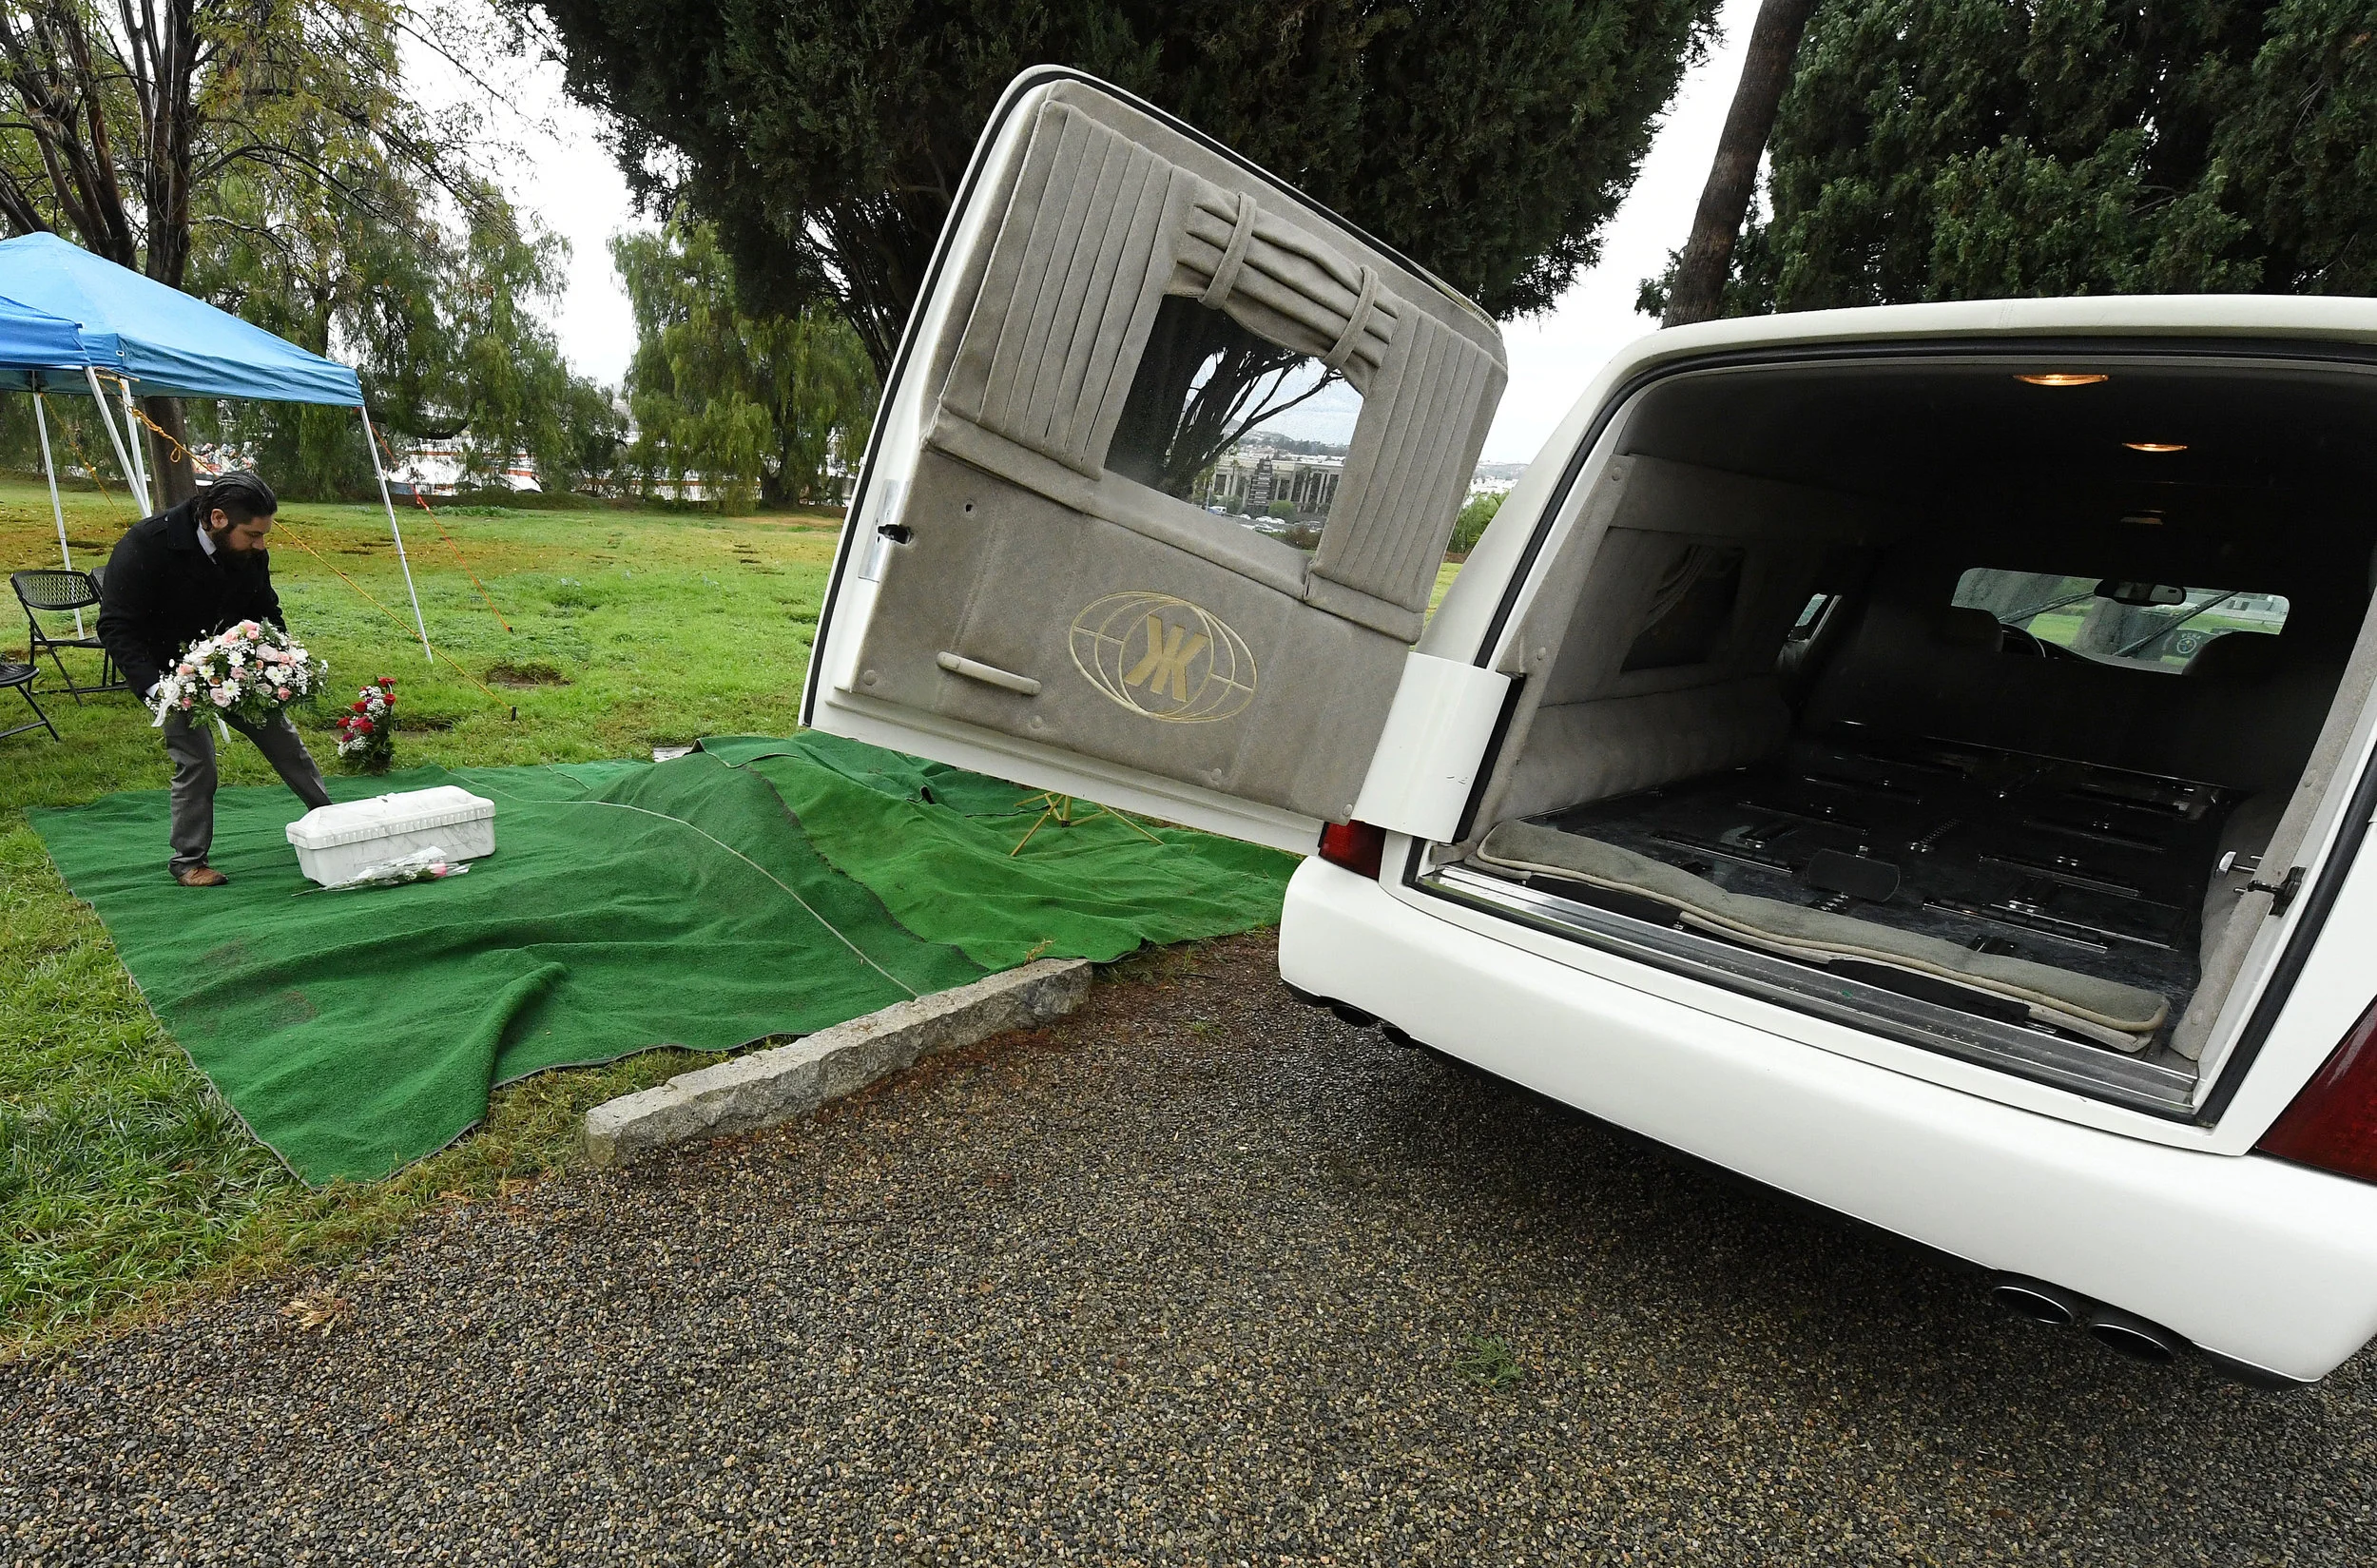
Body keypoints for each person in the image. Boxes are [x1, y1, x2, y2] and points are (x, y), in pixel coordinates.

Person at [98, 470, 331, 886]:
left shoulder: (247, 549)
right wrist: (158, 689)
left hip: (233, 664)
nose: (261, 545)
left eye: (264, 535)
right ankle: (189, 862)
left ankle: (331, 820)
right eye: (253, 535)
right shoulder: (146, 544)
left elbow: (264, 606)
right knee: (197, 762)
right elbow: (116, 625)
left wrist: (281, 654)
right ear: (217, 518)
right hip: (172, 675)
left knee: (284, 742)